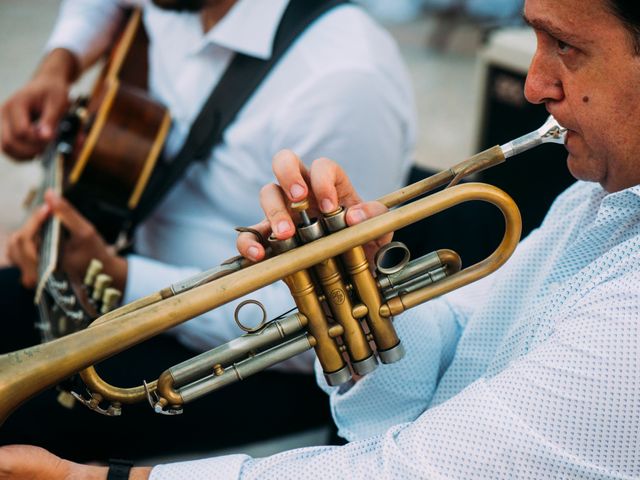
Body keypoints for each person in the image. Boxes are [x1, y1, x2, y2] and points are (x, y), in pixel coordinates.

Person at [3, 0, 639, 477]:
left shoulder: (342, 75)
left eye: (564, 47)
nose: (533, 87)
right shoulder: (592, 201)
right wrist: (352, 284)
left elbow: (404, 468)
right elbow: (417, 385)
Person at [0, 0, 416, 461]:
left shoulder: (345, 82)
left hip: (251, 359)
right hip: (124, 275)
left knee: (28, 428)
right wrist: (58, 65)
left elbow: (339, 319)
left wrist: (121, 278)